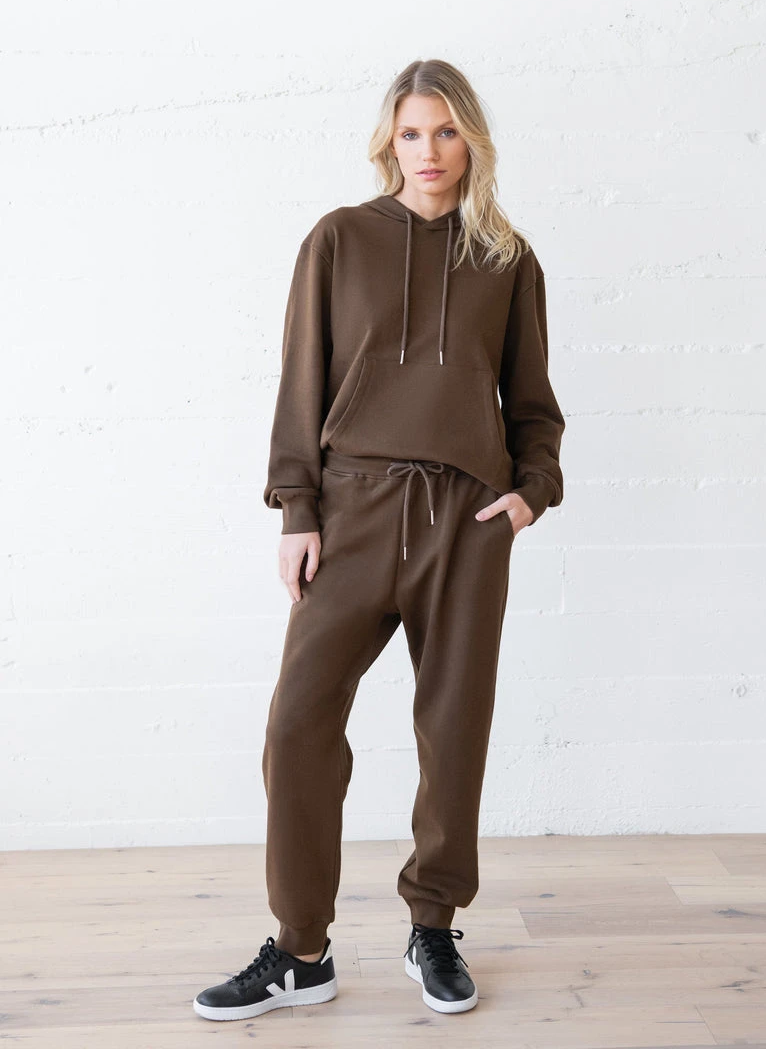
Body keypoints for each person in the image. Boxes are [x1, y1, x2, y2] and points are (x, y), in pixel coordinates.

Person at [193, 57, 564, 1022]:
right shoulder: (340, 239)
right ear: (388, 141)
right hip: (352, 510)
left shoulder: (507, 259)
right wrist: (297, 510)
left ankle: (433, 925)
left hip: (465, 520)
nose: (428, 151)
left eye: (445, 131)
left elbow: (532, 404)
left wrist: (530, 495)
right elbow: (301, 381)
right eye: (411, 132)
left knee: (453, 728)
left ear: (471, 141)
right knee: (297, 725)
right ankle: (299, 950)